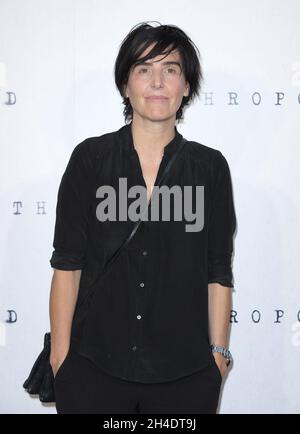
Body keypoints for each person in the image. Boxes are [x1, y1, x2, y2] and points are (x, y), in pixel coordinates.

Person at [49, 21, 236, 414]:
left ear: (186, 87)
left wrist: (217, 358)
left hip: (185, 376)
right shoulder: (91, 160)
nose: (157, 82)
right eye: (143, 69)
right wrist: (62, 359)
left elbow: (217, 272)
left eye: (170, 69)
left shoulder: (209, 168)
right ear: (125, 85)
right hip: (92, 369)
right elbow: (67, 264)